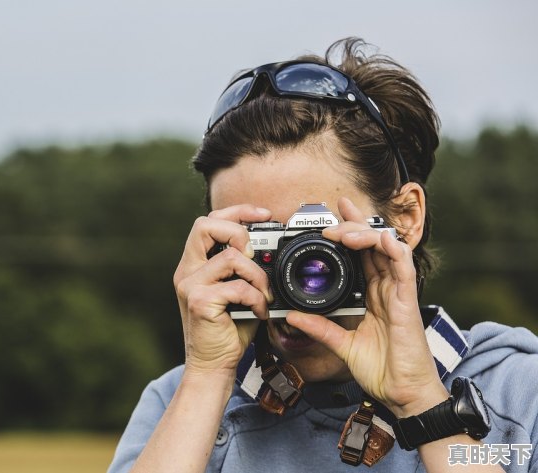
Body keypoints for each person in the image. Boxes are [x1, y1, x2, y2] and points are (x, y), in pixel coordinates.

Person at [107, 38, 538, 472]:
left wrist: (421, 399)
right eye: (256, 242)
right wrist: (207, 377)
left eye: (312, 240)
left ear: (404, 218)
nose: (292, 276)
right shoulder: (182, 403)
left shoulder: (517, 394)